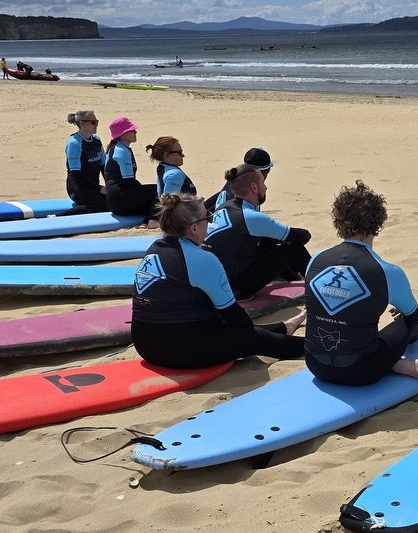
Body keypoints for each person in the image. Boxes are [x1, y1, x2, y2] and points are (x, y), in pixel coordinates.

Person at [131, 193, 306, 369]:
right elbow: (236, 318)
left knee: (234, 329)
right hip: (177, 350)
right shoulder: (202, 259)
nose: (211, 222)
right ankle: (310, 346)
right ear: (194, 229)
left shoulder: (154, 249)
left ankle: (285, 327)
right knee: (251, 337)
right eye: (208, 217)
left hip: (144, 344)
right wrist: (251, 336)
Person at [303, 180, 418, 385]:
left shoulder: (315, 259)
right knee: (410, 320)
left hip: (315, 365)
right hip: (361, 371)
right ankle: (399, 361)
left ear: (339, 221)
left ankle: (393, 361)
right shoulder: (387, 271)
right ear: (377, 224)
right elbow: (411, 314)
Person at [205, 162, 312, 300]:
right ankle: (321, 287)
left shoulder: (224, 207)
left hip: (216, 281)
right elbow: (301, 236)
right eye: (262, 182)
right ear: (254, 187)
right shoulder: (250, 216)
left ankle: (293, 278)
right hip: (236, 288)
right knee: (293, 248)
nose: (266, 187)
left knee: (265, 241)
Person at [103, 116, 158, 220]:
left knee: (150, 192)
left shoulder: (118, 148)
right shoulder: (122, 152)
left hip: (115, 201)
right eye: (132, 130)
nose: (135, 132)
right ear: (123, 134)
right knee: (159, 190)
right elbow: (128, 182)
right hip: (120, 202)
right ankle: (151, 221)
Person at [64, 109, 107, 210]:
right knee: (100, 206)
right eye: (93, 122)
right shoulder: (74, 143)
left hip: (92, 187)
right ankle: (55, 217)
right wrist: (99, 188)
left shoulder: (96, 140)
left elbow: (103, 166)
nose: (96, 125)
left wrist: (109, 186)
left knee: (113, 201)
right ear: (82, 124)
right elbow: (76, 174)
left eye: (97, 122)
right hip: (77, 187)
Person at [147, 135, 197, 201]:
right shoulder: (174, 174)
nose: (183, 155)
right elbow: (169, 203)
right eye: (179, 152)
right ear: (166, 155)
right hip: (186, 211)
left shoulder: (163, 167)